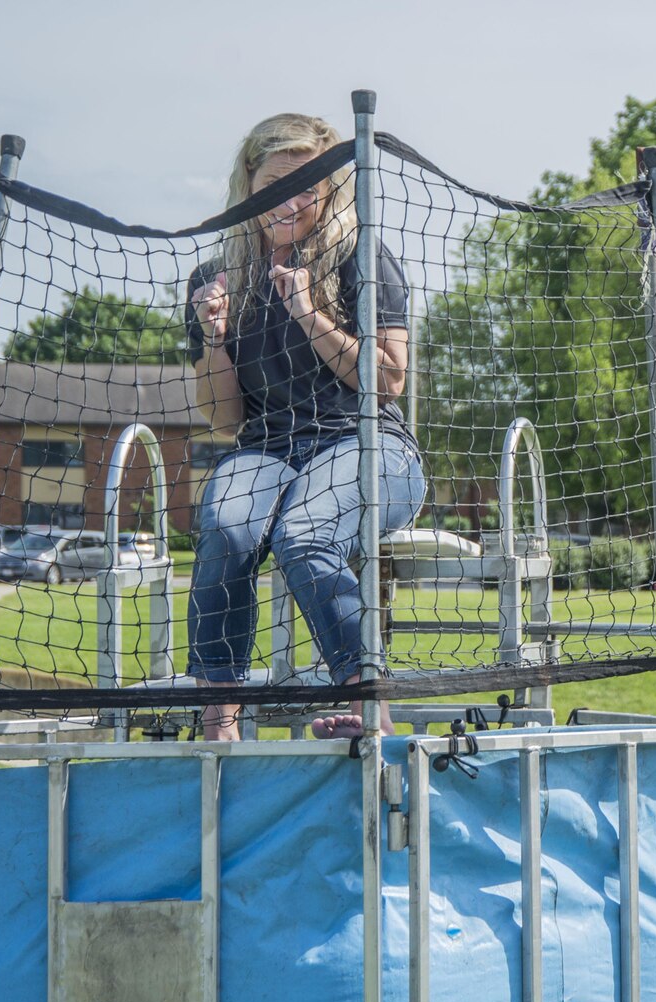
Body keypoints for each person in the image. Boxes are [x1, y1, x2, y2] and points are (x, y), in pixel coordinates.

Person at [186, 112, 426, 740]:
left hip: (366, 444)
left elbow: (391, 378)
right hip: (267, 447)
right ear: (249, 183)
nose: (290, 202)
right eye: (275, 185)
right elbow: (224, 416)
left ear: (329, 189)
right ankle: (219, 721)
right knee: (225, 529)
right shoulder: (217, 276)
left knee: (305, 532)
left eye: (307, 187)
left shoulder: (361, 257)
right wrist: (215, 338)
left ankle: (367, 703)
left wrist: (309, 312)